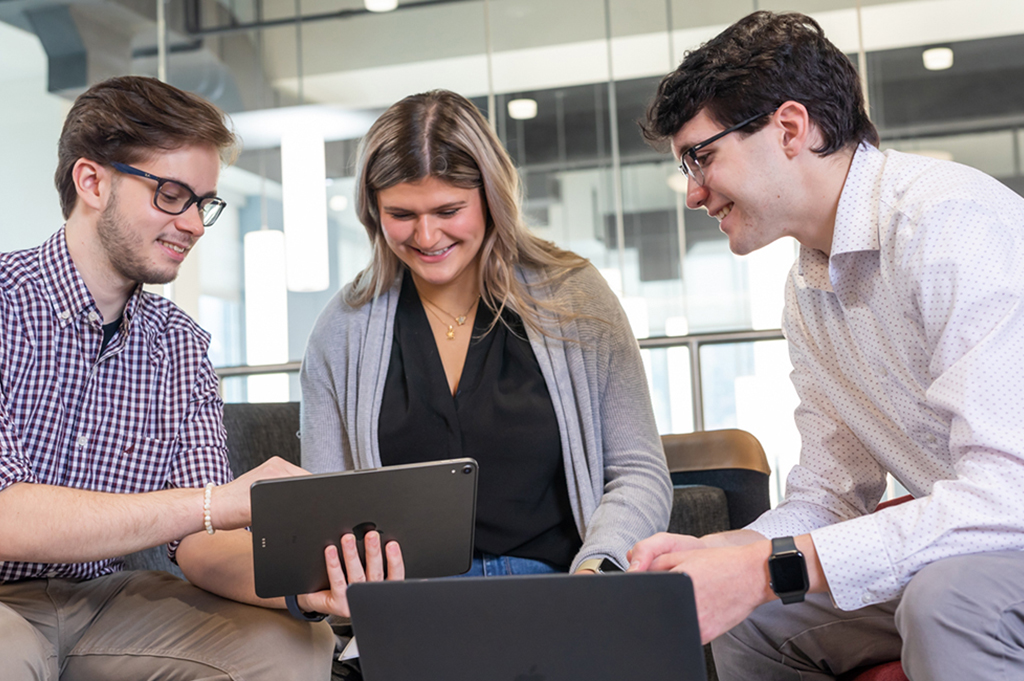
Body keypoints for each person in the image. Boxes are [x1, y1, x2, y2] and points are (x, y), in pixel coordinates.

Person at [628, 10, 1024, 681]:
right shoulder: (810, 287)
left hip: (999, 532)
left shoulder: (948, 223)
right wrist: (731, 551)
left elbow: (1006, 497)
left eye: (701, 156)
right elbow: (832, 490)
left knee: (945, 603)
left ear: (789, 127)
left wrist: (768, 564)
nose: (692, 193)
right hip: (974, 545)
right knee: (752, 618)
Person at [0, 75, 402, 680]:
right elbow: (8, 519)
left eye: (203, 202)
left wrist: (304, 592)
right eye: (170, 194)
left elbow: (204, 541)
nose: (193, 224)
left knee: (294, 648)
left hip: (106, 602)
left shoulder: (180, 346)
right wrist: (215, 502)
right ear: (92, 181)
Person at [300, 89, 672, 577]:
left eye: (449, 211)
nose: (427, 237)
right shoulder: (341, 331)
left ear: (491, 198)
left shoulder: (574, 297)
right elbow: (323, 511)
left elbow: (639, 473)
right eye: (402, 215)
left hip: (564, 589)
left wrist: (598, 571)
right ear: (373, 212)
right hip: (415, 606)